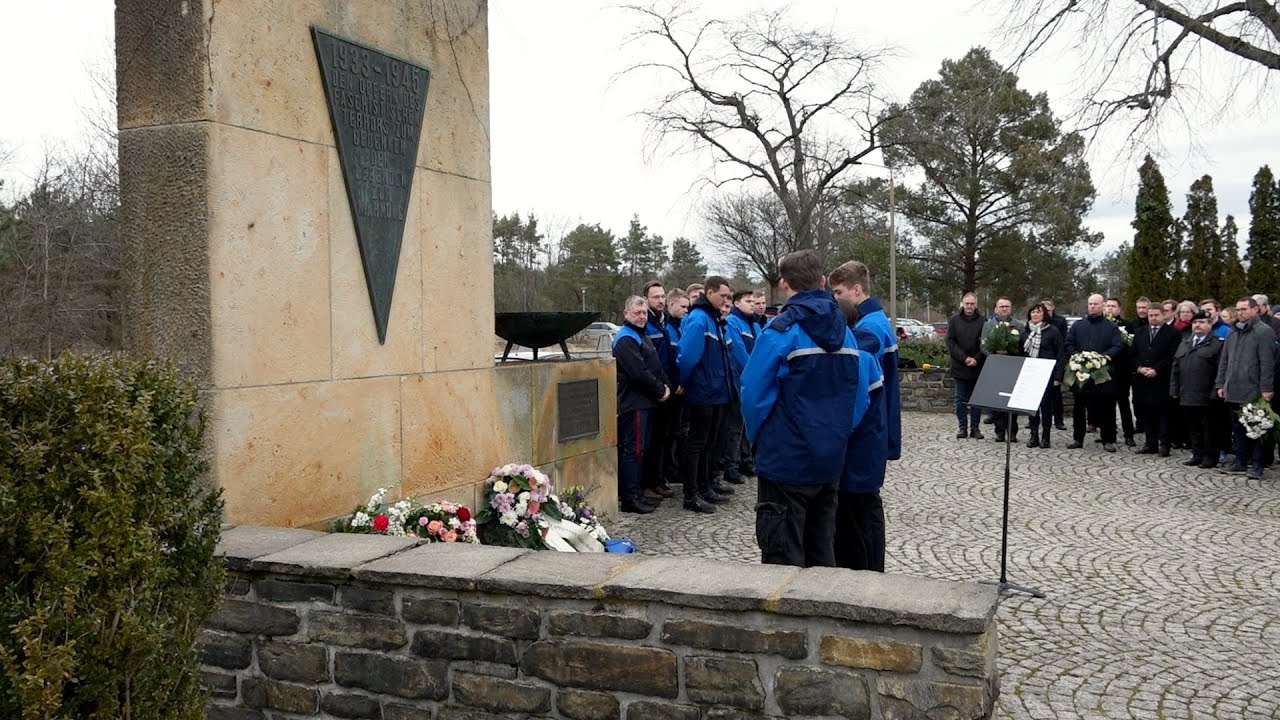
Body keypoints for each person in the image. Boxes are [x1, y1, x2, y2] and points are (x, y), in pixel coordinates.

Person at [741, 250, 869, 567]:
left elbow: (753, 394)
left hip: (785, 459)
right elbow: (860, 397)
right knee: (821, 552)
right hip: (830, 459)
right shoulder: (847, 334)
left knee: (782, 557)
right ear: (823, 281)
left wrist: (758, 438)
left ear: (784, 284)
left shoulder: (780, 332)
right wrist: (837, 433)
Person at [832, 297, 888, 572]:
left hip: (859, 451)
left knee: (858, 517)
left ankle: (865, 574)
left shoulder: (859, 357)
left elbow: (853, 410)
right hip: (867, 447)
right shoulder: (863, 351)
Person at [676, 276, 738, 513]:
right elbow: (687, 356)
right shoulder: (699, 319)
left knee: (710, 443)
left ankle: (705, 486)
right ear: (709, 292)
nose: (725, 300)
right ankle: (691, 494)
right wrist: (683, 382)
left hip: (717, 391)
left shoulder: (713, 319)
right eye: (722, 296)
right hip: (703, 391)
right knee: (697, 444)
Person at [829, 260, 901, 461]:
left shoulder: (869, 326)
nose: (835, 299)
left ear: (857, 290)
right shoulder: (876, 319)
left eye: (838, 292)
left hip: (869, 423)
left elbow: (862, 380)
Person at [612, 296, 670, 513]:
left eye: (644, 312)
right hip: (634, 402)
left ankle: (638, 492)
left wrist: (666, 384)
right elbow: (638, 372)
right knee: (634, 450)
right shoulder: (625, 338)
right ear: (626, 313)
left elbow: (654, 365)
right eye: (637, 313)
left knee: (642, 449)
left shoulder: (641, 335)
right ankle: (630, 497)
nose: (642, 316)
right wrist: (660, 389)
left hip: (646, 401)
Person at [1215, 296, 1276, 479]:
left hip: (1254, 389)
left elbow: (1267, 363)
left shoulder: (1264, 331)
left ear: (1255, 309)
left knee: (1257, 428)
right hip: (1233, 388)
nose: (1240, 312)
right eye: (1238, 309)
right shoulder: (1233, 331)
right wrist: (1221, 383)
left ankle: (1257, 464)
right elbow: (1225, 360)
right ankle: (1240, 461)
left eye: (1244, 309)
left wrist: (1266, 388)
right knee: (1238, 429)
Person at [1065, 294, 1124, 452]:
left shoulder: (1111, 326)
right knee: (1079, 407)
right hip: (1081, 373)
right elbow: (1069, 344)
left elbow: (1117, 346)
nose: (1092, 306)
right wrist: (1079, 358)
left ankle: (1108, 439)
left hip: (1102, 373)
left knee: (1106, 407)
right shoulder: (1078, 325)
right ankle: (1078, 438)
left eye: (1096, 304)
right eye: (1090, 304)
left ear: (1103, 306)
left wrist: (1103, 358)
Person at [1170, 309, 1224, 468]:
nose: (1197, 325)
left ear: (1210, 324)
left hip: (1207, 395)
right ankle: (1197, 453)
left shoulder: (1218, 344)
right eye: (1195, 322)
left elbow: (1221, 369)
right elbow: (1176, 368)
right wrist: (1174, 390)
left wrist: (1216, 390)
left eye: (1201, 322)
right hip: (1187, 393)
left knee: (1209, 428)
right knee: (1193, 428)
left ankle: (1210, 456)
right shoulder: (1185, 343)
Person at [640, 281, 675, 502]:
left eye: (663, 296)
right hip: (652, 391)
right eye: (656, 297)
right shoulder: (646, 324)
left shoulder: (664, 322)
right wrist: (659, 386)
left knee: (662, 438)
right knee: (649, 441)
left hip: (666, 389)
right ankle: (647, 483)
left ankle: (658, 480)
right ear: (646, 300)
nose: (661, 301)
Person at [1131, 303, 1181, 456]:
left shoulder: (1173, 333)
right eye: (1150, 315)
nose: (1153, 318)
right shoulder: (1140, 332)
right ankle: (1150, 443)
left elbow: (1172, 356)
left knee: (1164, 413)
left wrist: (1157, 369)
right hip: (1143, 379)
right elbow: (1133, 354)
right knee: (1147, 412)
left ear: (1163, 315)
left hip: (1162, 379)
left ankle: (1165, 444)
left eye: (1156, 315)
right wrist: (1139, 368)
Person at [1020, 303, 1065, 448]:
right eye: (1033, 312)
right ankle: (1034, 435)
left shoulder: (1053, 331)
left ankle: (1046, 436)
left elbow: (1060, 354)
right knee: (1031, 407)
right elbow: (1021, 352)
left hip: (1047, 374)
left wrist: (1058, 377)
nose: (1035, 314)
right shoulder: (1025, 331)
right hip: (1030, 373)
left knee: (1046, 406)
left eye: (1038, 312)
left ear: (1044, 314)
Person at [980, 297, 1025, 442]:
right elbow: (983, 345)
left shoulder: (1018, 325)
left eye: (1007, 306)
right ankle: (999, 432)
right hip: (995, 366)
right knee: (998, 401)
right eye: (1001, 306)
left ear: (1010, 308)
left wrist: (1010, 352)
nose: (1004, 309)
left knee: (1012, 401)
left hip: (1012, 367)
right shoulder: (988, 325)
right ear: (996, 309)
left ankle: (1012, 432)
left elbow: (1022, 346)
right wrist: (994, 355)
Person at [659, 290, 691, 489]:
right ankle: (668, 470)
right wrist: (674, 383)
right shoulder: (667, 329)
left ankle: (674, 467)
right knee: (669, 432)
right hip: (671, 389)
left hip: (679, 389)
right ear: (671, 305)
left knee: (677, 431)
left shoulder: (680, 327)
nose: (687, 310)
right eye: (683, 306)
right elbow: (668, 361)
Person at [946, 292, 985, 440]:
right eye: (967, 303)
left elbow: (986, 343)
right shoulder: (954, 320)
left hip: (977, 365)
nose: (969, 306)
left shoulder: (983, 321)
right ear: (962, 303)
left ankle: (975, 428)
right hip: (960, 366)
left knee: (977, 399)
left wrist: (976, 359)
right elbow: (950, 342)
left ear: (976, 304)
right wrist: (964, 358)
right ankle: (962, 427)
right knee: (960, 399)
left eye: (972, 304)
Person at [1103, 297, 1138, 447]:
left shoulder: (1128, 325)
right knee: (1107, 405)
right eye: (1108, 306)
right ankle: (1109, 435)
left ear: (1119, 308)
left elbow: (1133, 346)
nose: (1110, 308)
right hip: (1105, 370)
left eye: (1113, 306)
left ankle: (1129, 435)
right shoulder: (1102, 324)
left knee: (1124, 404)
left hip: (1122, 370)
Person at [1042, 298, 1070, 430]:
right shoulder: (1040, 322)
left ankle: (1059, 420)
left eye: (1047, 309)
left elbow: (1063, 341)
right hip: (1042, 360)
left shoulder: (1060, 321)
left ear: (1052, 307)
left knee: (1056, 393)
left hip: (1055, 359)